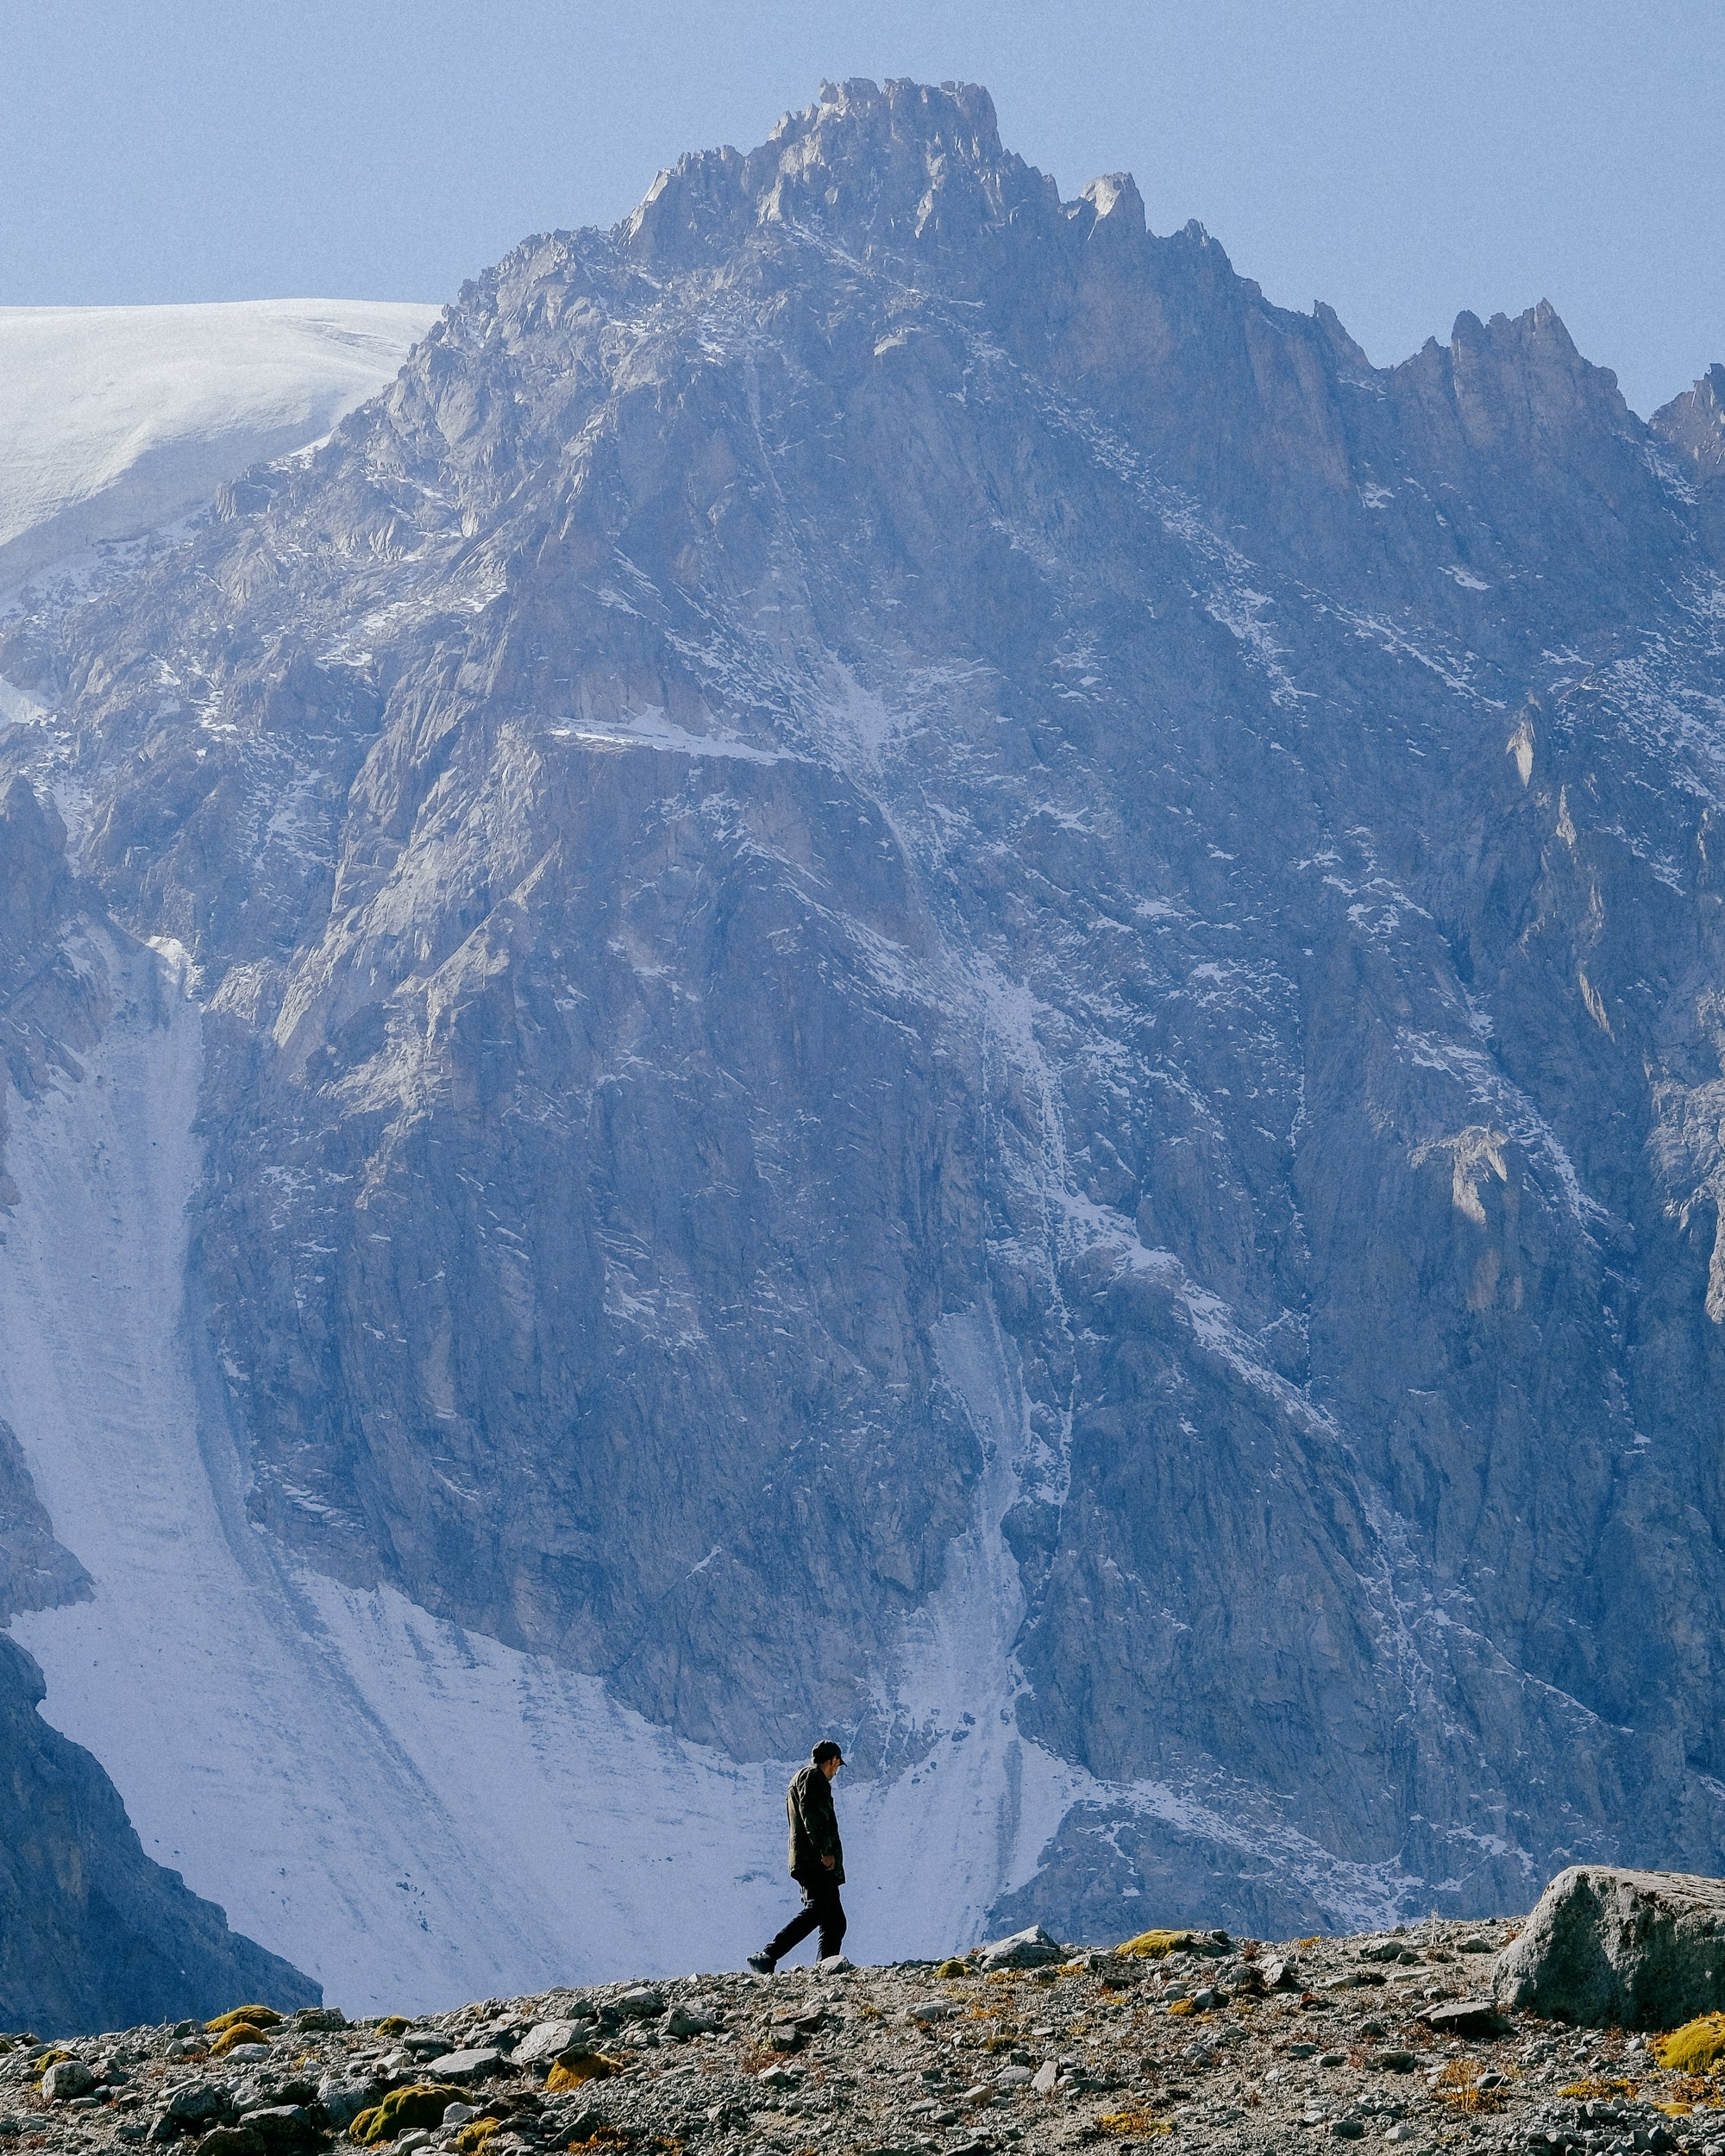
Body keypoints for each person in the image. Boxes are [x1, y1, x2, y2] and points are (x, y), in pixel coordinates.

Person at [747, 1739, 846, 1972]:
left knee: (834, 1920)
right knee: (818, 1910)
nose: (837, 1770)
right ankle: (768, 1954)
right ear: (832, 1760)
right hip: (815, 1860)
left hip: (809, 1859)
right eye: (838, 1764)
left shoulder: (803, 1778)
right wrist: (826, 1850)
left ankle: (826, 1968)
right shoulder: (813, 1777)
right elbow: (813, 1815)